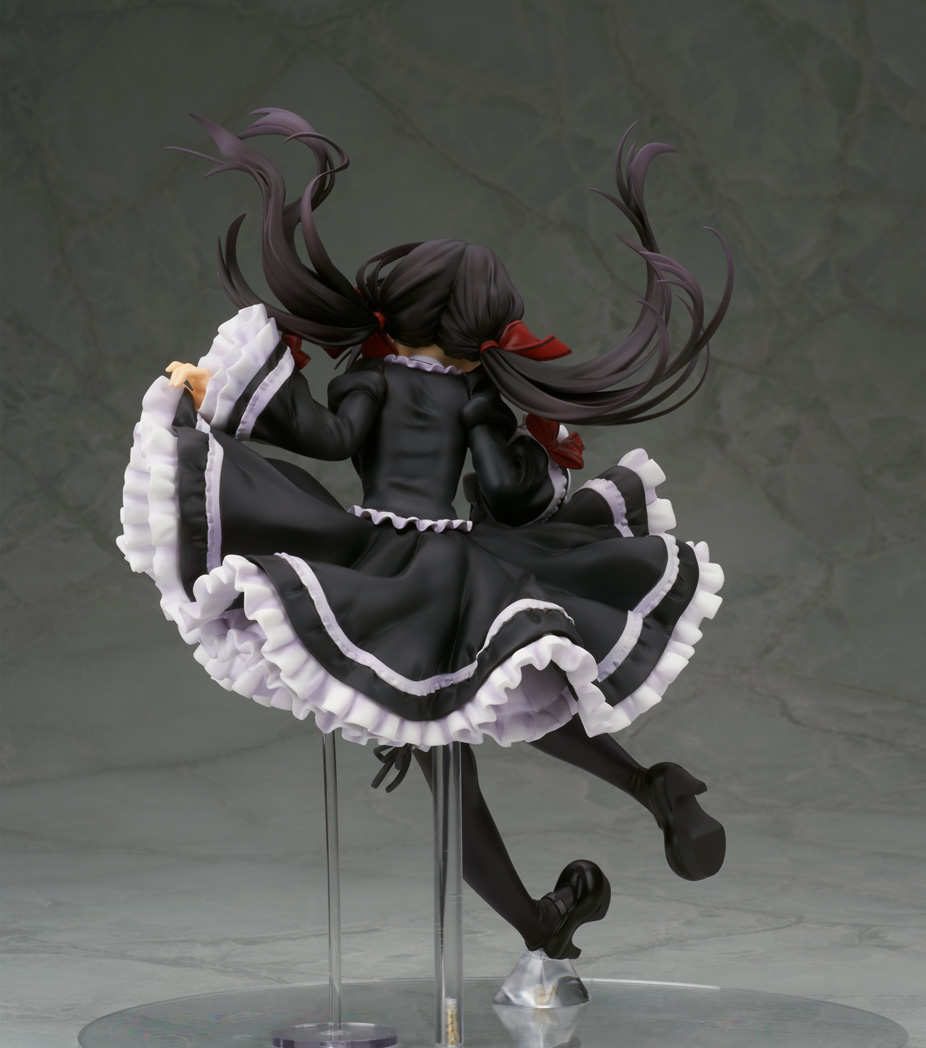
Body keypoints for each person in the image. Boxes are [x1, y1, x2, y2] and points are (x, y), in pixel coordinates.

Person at [119, 108, 733, 960]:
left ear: (397, 306)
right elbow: (510, 496)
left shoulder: (370, 380)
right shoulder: (476, 394)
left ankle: (539, 926)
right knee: (523, 691)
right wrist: (536, 451)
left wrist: (229, 391)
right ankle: (650, 783)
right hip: (465, 563)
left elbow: (327, 439)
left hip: (391, 570)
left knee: (452, 765)